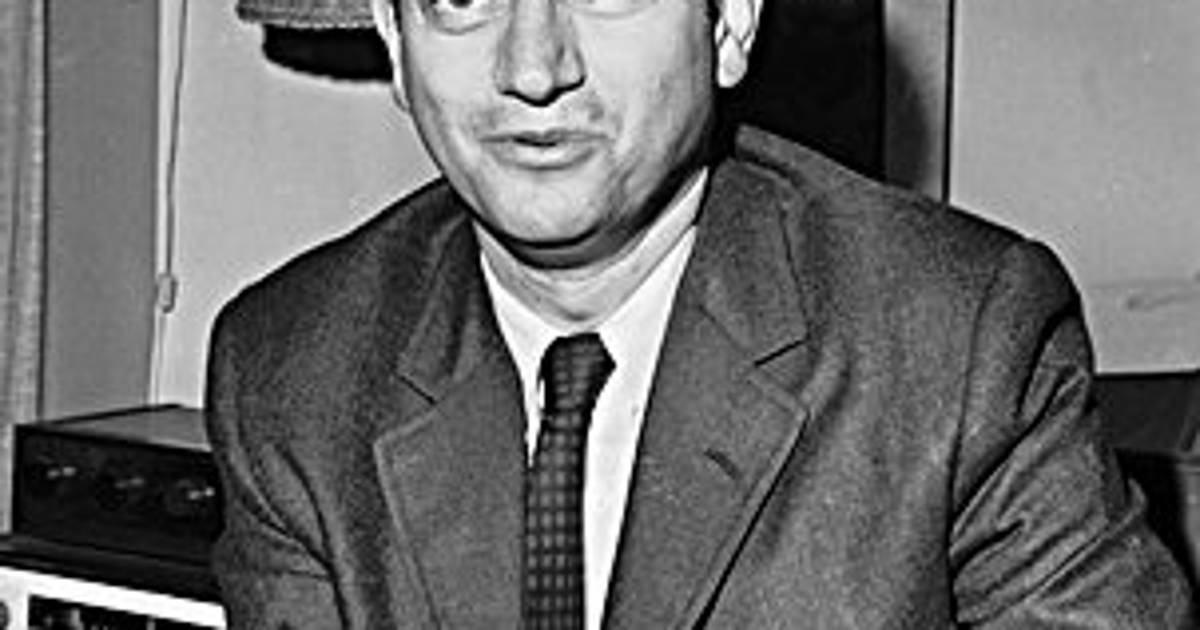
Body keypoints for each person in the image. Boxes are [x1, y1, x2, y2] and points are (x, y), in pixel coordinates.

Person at [204, 0, 1196, 626]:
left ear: (729, 27)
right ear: (393, 36)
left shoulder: (964, 337)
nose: (535, 66)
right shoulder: (290, 371)